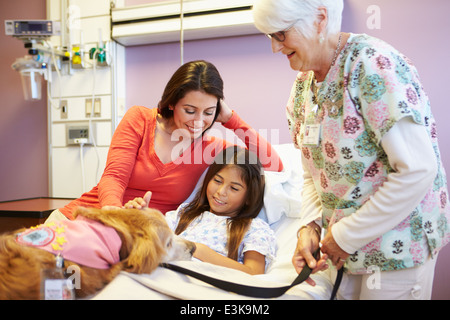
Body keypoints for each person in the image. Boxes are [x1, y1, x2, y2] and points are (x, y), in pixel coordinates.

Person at [253, 0, 450, 299]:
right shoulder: (303, 85)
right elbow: (312, 171)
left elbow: (417, 170)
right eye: (269, 36)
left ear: (320, 19)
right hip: (342, 254)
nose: (275, 48)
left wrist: (345, 236)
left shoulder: (373, 64)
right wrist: (310, 226)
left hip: (396, 252)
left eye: (280, 34)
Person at [46, 60, 283, 222]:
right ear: (172, 102)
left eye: (209, 112)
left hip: (137, 234)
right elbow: (114, 177)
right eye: (190, 110)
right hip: (86, 218)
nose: (199, 121)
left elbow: (274, 164)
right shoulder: (140, 118)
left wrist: (231, 119)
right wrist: (114, 216)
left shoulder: (211, 149)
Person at [126, 146, 276, 275]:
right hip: (165, 274)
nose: (221, 191)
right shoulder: (185, 214)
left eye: (234, 188)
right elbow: (155, 237)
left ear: (249, 197)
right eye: (217, 181)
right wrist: (139, 218)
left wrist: (199, 250)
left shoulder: (254, 228)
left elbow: (254, 273)